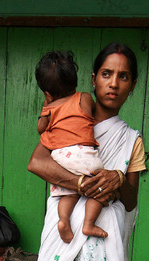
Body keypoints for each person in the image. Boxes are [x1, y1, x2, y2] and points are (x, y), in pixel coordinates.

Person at [27, 42, 148, 261]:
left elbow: (131, 200)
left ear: (132, 85)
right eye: (107, 74)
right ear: (93, 79)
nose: (114, 83)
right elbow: (37, 161)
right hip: (64, 237)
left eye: (123, 77)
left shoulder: (130, 140)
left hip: (101, 237)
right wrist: (80, 183)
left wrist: (117, 177)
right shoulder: (73, 113)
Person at [35, 50, 106, 243]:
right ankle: (89, 223)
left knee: (67, 193)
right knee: (100, 186)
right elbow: (93, 113)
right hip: (83, 154)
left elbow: (41, 129)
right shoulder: (83, 98)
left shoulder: (50, 108)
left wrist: (47, 104)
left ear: (47, 93)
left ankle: (63, 219)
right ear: (74, 82)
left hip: (59, 157)